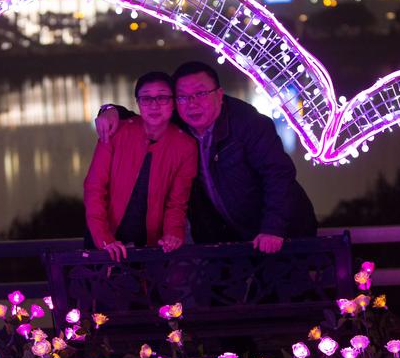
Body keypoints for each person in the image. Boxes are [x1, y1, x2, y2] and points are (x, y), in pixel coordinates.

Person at [96, 61, 316, 253]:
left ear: (219, 94)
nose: (192, 103)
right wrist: (110, 109)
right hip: (225, 239)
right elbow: (148, 116)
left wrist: (273, 228)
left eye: (201, 94)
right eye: (182, 96)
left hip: (281, 233)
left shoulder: (248, 123)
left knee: (292, 298)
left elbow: (278, 175)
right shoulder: (179, 123)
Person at [84, 71, 197, 262]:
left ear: (173, 103)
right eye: (146, 99)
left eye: (162, 97)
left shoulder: (185, 145)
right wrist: (104, 239)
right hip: (105, 242)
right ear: (137, 103)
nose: (154, 105)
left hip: (153, 247)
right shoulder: (115, 133)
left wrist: (173, 233)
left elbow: (177, 202)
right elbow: (94, 188)